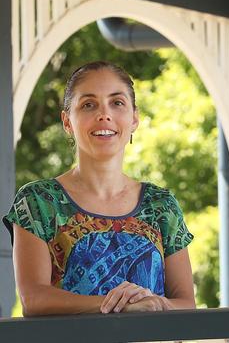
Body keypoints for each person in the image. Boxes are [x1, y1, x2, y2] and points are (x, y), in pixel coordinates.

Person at [2, 61, 196, 316]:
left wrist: (153, 304)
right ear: (67, 121)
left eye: (117, 103)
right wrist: (119, 305)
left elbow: (186, 303)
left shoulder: (161, 205)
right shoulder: (38, 201)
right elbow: (34, 299)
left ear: (134, 118)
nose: (104, 114)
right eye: (88, 104)